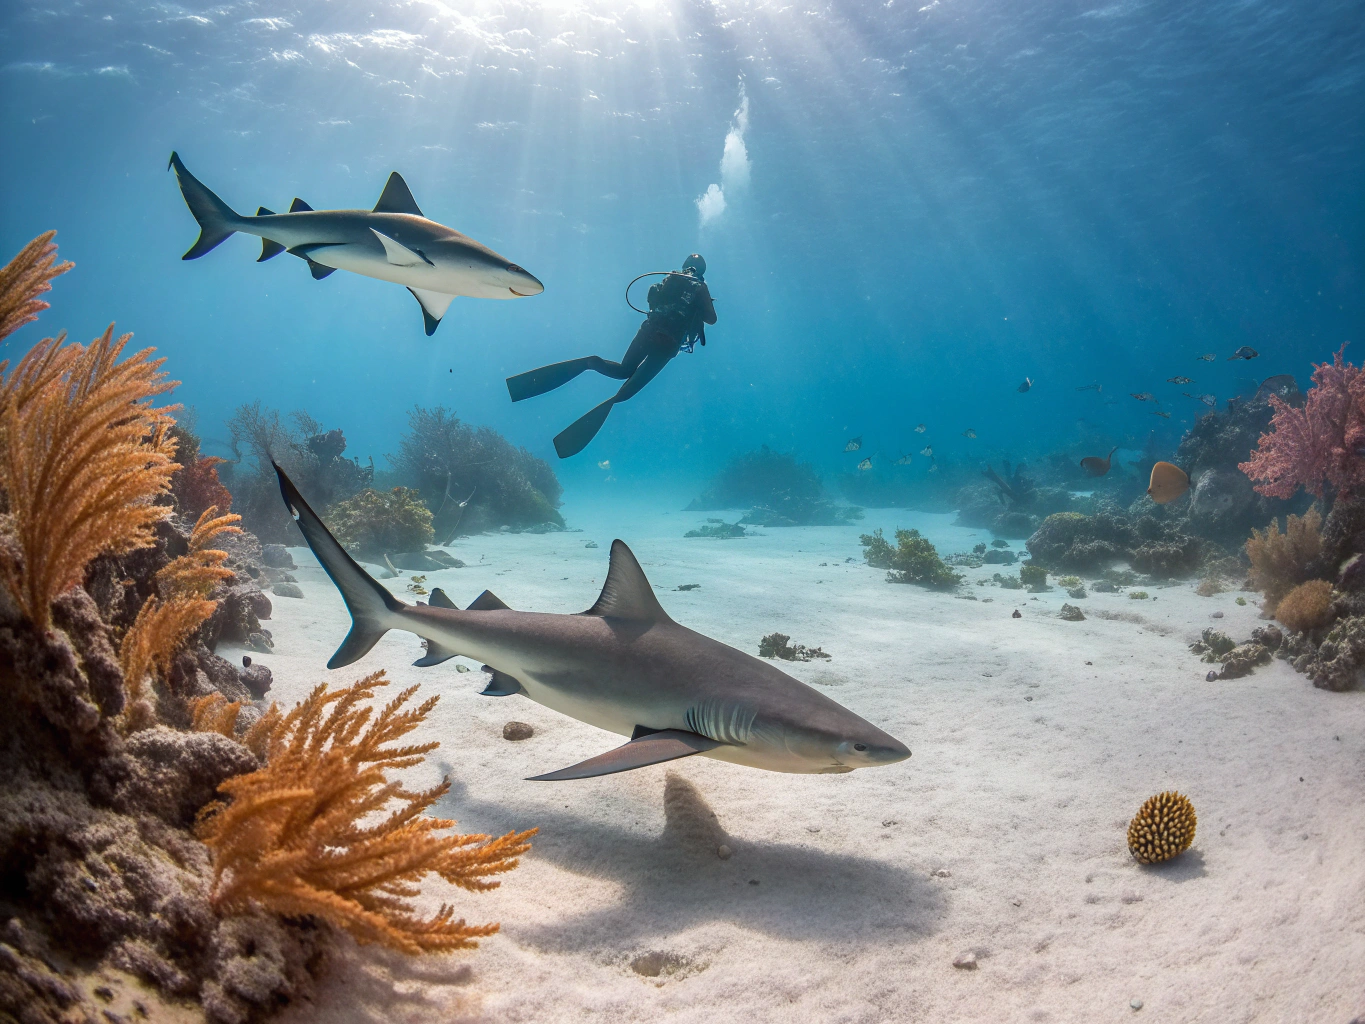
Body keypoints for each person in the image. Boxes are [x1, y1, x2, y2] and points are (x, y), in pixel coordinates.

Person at [506, 254, 716, 458]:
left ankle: (590, 363)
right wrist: (702, 304)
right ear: (703, 271)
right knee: (627, 391)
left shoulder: (671, 278)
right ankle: (611, 401)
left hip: (648, 331)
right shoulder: (700, 287)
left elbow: (652, 297)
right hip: (667, 345)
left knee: (624, 370)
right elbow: (712, 319)